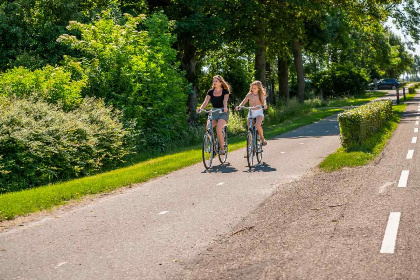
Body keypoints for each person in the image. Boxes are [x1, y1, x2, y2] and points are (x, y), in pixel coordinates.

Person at [196, 75, 230, 155]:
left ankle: (222, 148)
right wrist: (200, 108)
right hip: (214, 111)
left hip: (222, 111)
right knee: (208, 128)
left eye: (216, 81)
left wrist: (225, 107)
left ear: (220, 83)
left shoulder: (225, 91)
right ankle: (213, 147)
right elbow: (206, 101)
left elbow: (225, 101)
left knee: (218, 128)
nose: (214, 83)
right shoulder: (210, 91)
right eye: (213, 81)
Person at [235, 80, 268, 146]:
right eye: (252, 88)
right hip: (251, 113)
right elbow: (244, 102)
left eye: (254, 88)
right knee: (249, 129)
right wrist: (239, 106)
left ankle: (262, 139)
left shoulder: (260, 95)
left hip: (259, 113)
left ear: (259, 88)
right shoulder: (249, 95)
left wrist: (264, 105)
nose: (253, 89)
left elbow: (264, 101)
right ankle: (249, 148)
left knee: (257, 125)